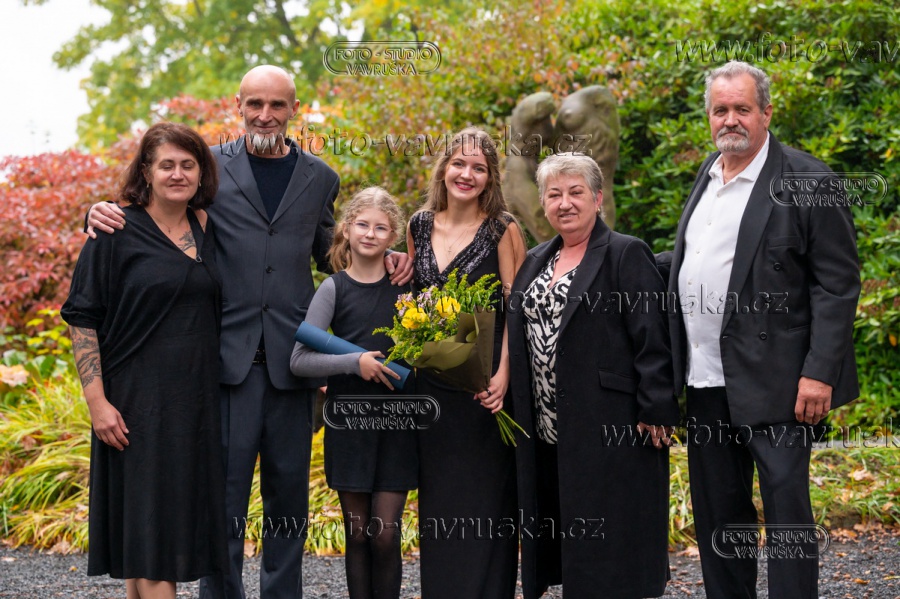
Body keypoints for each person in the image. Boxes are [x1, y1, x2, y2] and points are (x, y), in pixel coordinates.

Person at [86, 65, 413, 599]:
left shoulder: (321, 178)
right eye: (255, 103)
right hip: (221, 364)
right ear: (237, 105)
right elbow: (159, 214)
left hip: (293, 364)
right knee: (223, 503)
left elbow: (333, 254)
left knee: (289, 506)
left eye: (277, 105)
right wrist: (100, 210)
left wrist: (388, 256)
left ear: (294, 109)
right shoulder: (206, 168)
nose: (265, 114)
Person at [667, 61, 860, 598]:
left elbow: (837, 284)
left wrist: (819, 373)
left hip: (781, 383)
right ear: (709, 117)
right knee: (719, 517)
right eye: (720, 110)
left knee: (786, 514)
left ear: (767, 112)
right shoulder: (709, 174)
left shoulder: (809, 181)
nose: (730, 119)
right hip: (706, 378)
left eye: (742, 108)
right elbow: (697, 259)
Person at [62, 122, 227, 599]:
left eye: (188, 165)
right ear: (147, 172)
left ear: (201, 172)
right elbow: (82, 318)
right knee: (155, 536)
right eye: (166, 165)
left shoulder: (207, 226)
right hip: (136, 402)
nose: (178, 174)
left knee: (150, 533)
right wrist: (97, 403)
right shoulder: (113, 229)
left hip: (193, 403)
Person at [506, 153, 678, 599]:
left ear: (597, 198)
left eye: (575, 192)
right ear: (543, 203)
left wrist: (657, 406)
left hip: (612, 422)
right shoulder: (536, 259)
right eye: (554, 194)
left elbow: (651, 335)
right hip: (548, 428)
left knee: (614, 536)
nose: (564, 203)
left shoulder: (625, 252)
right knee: (571, 535)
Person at [406, 127, 527, 599]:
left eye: (479, 168)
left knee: (486, 501)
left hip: (485, 390)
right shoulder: (418, 225)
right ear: (444, 168)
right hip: (432, 391)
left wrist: (503, 375)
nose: (467, 174)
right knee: (440, 502)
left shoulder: (503, 228)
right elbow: (411, 301)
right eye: (459, 163)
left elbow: (516, 309)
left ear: (490, 177)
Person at [289, 186, 415, 599]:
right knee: (358, 533)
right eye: (362, 224)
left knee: (385, 534)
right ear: (345, 228)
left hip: (397, 424)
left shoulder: (406, 287)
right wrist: (353, 362)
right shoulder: (333, 289)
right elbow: (299, 360)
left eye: (381, 228)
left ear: (393, 235)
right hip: (350, 424)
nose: (370, 234)